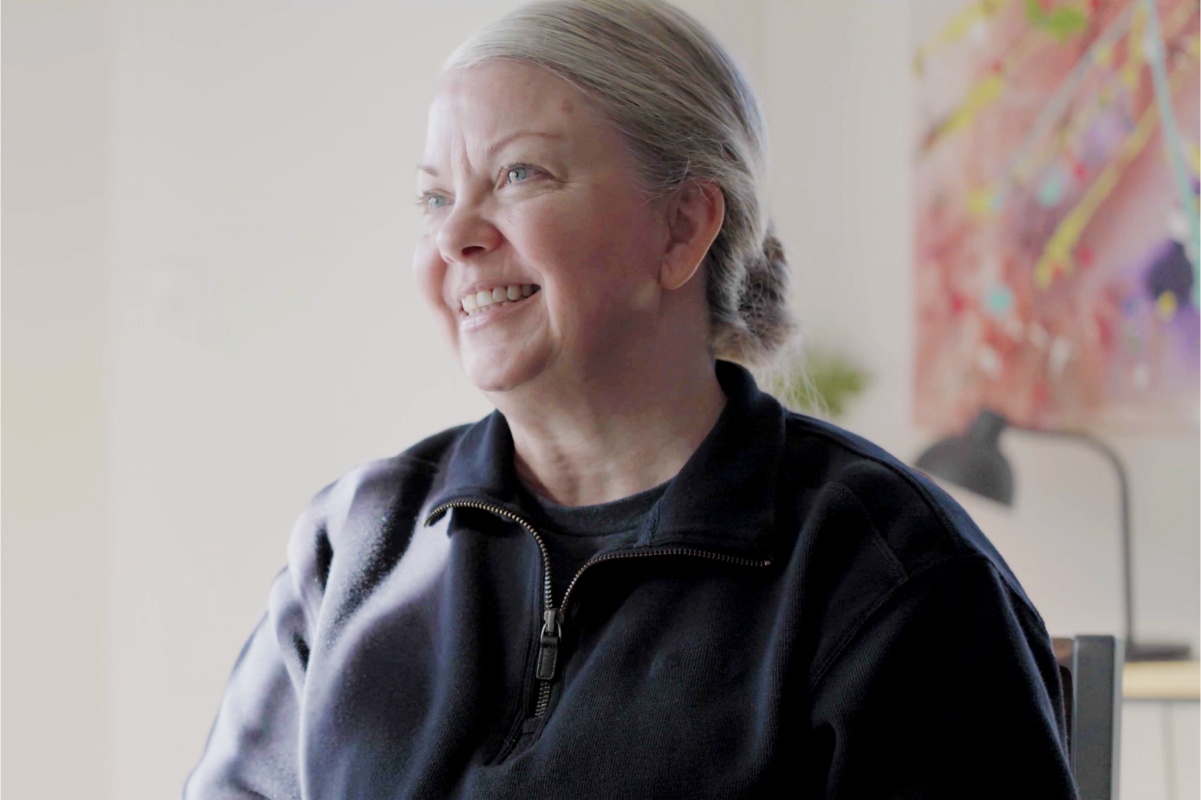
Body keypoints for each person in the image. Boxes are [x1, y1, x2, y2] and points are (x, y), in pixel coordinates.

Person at [183, 1, 1078, 797]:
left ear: (681, 227)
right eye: (434, 197)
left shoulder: (885, 573)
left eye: (520, 175)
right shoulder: (354, 547)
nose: (455, 235)